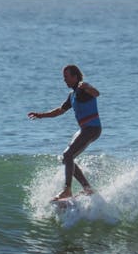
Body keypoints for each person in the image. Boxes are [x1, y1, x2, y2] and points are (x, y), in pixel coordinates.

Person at [28, 65, 101, 200]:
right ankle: (87, 188)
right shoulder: (72, 96)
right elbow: (59, 111)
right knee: (67, 158)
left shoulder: (84, 89)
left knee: (68, 154)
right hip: (85, 129)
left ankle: (67, 190)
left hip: (92, 128)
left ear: (75, 76)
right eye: (64, 77)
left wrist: (87, 87)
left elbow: (96, 93)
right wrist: (40, 115)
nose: (64, 80)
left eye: (66, 77)